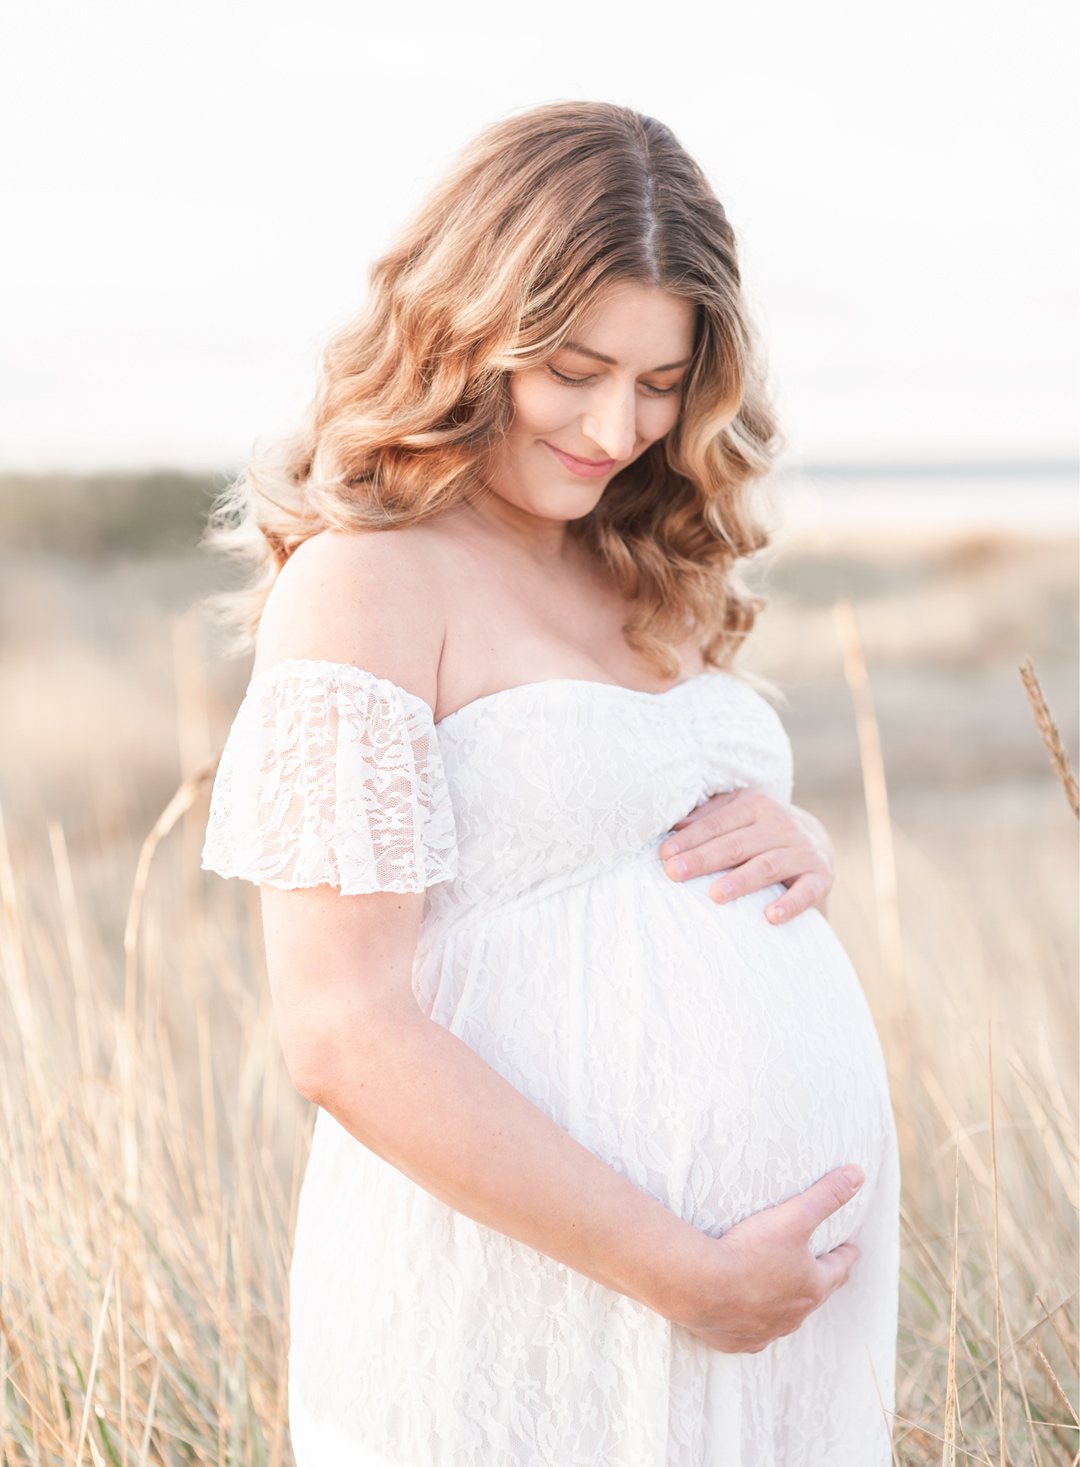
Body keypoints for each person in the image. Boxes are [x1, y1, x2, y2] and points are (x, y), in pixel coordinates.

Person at [203, 101, 899, 1466]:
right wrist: (677, 1270)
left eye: (660, 382)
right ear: (466, 334)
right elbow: (341, 1031)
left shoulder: (642, 564)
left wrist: (792, 834)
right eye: (574, 369)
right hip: (537, 1300)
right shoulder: (370, 582)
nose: (616, 425)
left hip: (766, 1322)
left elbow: (619, 835)